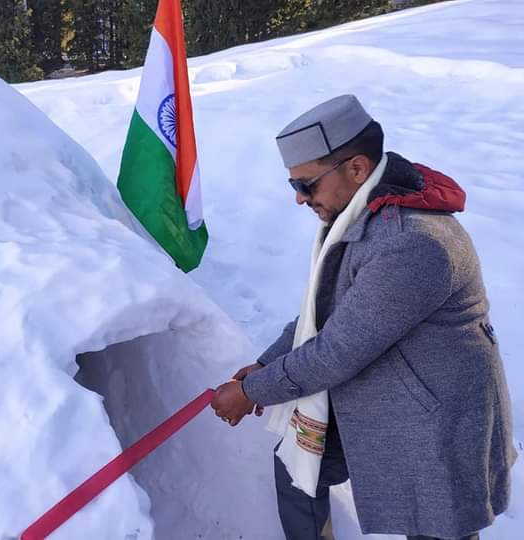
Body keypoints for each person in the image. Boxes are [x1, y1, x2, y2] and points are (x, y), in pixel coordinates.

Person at [210, 94, 517, 540]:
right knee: (298, 469)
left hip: (434, 424)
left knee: (436, 528)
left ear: (356, 169)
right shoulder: (363, 216)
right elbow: (323, 312)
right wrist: (264, 365)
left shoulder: (411, 241)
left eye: (307, 184)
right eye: (292, 185)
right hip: (385, 397)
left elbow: (337, 350)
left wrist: (253, 391)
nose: (299, 199)